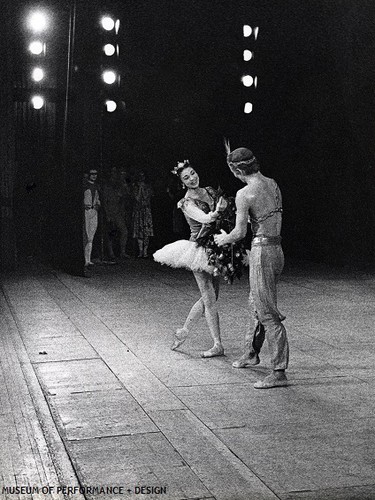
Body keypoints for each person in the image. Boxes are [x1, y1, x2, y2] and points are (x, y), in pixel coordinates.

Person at [214, 147, 289, 389]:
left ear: (236, 169)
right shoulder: (272, 183)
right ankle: (251, 353)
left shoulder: (245, 193)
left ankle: (278, 372)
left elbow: (240, 232)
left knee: (267, 312)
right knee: (255, 303)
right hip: (277, 250)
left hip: (263, 253)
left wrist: (223, 239)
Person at [153, 160, 227, 357]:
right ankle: (217, 344)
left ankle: (183, 331)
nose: (192, 178)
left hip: (217, 246)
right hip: (200, 249)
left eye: (193, 173)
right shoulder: (186, 202)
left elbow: (223, 214)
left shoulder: (210, 191)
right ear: (182, 182)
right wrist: (219, 211)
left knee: (211, 296)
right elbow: (206, 219)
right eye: (186, 177)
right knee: (209, 297)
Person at [102, 167, 131, 260]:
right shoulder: (107, 187)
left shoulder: (119, 186)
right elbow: (104, 202)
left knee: (124, 231)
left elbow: (124, 198)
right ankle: (111, 253)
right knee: (111, 233)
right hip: (110, 212)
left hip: (118, 212)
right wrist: (107, 214)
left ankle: (122, 252)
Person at [132, 171, 154, 258]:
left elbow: (146, 197)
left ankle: (145, 251)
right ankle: (140, 250)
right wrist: (140, 188)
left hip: (146, 210)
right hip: (139, 210)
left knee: (146, 232)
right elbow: (137, 198)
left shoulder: (148, 187)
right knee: (139, 231)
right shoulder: (135, 187)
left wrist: (143, 188)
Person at [83, 169, 101, 268]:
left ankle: (88, 259)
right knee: (86, 234)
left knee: (91, 236)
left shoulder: (96, 187)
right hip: (87, 210)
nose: (94, 176)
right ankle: (86, 259)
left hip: (94, 211)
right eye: (92, 174)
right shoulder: (85, 186)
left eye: (95, 174)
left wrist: (98, 204)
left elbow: (98, 199)